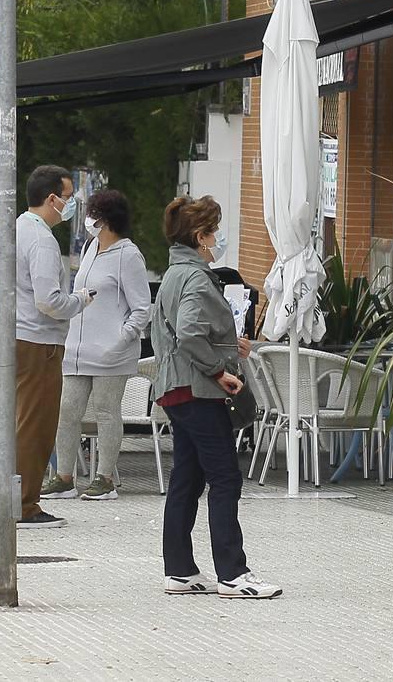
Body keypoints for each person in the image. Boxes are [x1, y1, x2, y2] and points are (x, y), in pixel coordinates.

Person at [151, 195, 281, 599]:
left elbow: (184, 331)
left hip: (176, 388)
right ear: (200, 236)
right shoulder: (195, 277)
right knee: (225, 477)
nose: (218, 238)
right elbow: (190, 332)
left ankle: (180, 569)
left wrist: (228, 348)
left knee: (187, 479)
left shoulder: (175, 273)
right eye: (214, 231)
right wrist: (218, 369)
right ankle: (232, 573)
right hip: (197, 389)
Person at [44, 189, 150, 501]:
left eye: (94, 215)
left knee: (106, 411)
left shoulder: (128, 255)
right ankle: (64, 476)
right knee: (66, 410)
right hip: (77, 350)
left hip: (111, 352)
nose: (89, 221)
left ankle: (105, 478)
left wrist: (123, 337)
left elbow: (143, 307)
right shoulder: (92, 247)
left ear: (105, 220)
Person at [14, 165, 93, 530]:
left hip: (20, 337)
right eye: (69, 196)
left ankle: (18, 497)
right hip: (39, 341)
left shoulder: (17, 228)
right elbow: (49, 300)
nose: (72, 203)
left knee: (23, 421)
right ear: (51, 199)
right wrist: (80, 299)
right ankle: (26, 504)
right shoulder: (42, 238)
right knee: (37, 424)